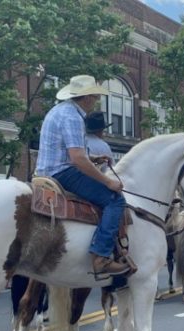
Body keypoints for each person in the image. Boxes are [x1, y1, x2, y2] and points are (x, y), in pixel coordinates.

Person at [36, 74, 130, 278]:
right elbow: (77, 159)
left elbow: (71, 152)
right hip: (61, 172)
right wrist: (108, 182)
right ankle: (101, 257)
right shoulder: (73, 116)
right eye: (94, 97)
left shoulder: (58, 110)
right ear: (86, 97)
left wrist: (93, 158)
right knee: (115, 199)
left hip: (45, 170)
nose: (95, 101)